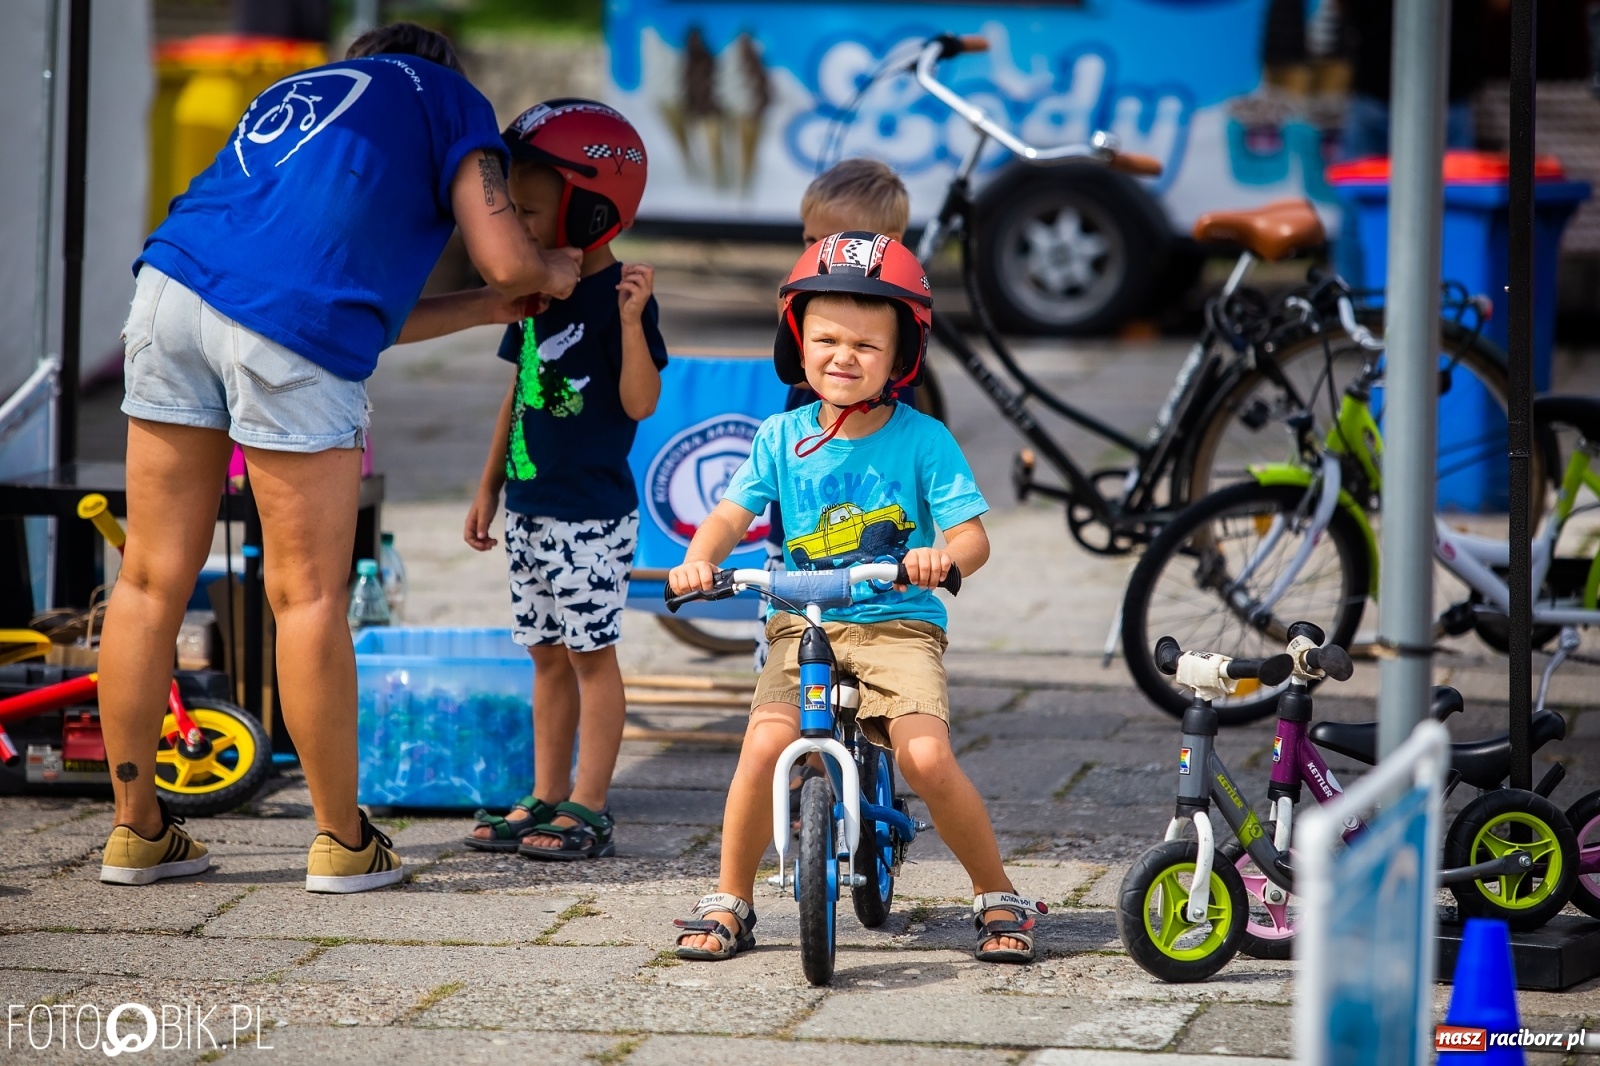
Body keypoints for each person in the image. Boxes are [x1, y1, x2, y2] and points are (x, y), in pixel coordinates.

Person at [98, 23, 581, 893]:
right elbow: (506, 258)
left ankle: (135, 831)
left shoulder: (307, 96)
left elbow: (347, 313)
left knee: (147, 580)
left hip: (169, 289)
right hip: (280, 328)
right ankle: (343, 843)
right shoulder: (448, 97)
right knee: (308, 597)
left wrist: (484, 308)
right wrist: (548, 272)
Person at [668, 233, 1043, 964]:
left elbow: (973, 539)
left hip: (898, 623)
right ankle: (730, 898)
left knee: (926, 757)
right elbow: (728, 516)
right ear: (797, 344)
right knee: (765, 745)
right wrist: (698, 561)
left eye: (866, 345)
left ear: (901, 357)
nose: (843, 357)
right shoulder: (779, 436)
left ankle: (997, 893)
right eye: (826, 339)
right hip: (803, 620)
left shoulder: (924, 440)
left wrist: (941, 558)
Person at [462, 100, 665, 861]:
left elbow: (641, 403)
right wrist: (488, 486)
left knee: (590, 656)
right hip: (529, 509)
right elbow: (516, 394)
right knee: (545, 654)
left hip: (590, 516)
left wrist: (633, 324)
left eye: (528, 210)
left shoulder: (622, 301)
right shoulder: (535, 290)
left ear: (592, 209)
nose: (513, 224)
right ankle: (547, 793)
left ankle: (591, 803)